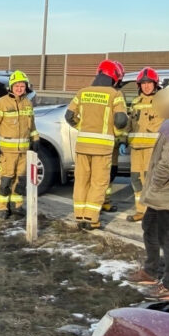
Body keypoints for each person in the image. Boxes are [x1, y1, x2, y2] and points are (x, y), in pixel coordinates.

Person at [127, 80, 169, 299]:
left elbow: (166, 163)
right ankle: (150, 270)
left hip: (168, 194)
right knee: (149, 226)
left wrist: (152, 187)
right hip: (159, 193)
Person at [66, 59, 129, 230]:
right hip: (103, 147)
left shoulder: (82, 92)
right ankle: (92, 219)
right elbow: (121, 120)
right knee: (99, 182)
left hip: (83, 145)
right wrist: (114, 132)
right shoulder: (115, 95)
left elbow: (69, 116)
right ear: (114, 77)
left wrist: (82, 127)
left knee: (81, 180)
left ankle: (79, 216)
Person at [0, 70, 39, 218]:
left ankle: (17, 206)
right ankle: (2, 208)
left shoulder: (28, 103)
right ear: (11, 86)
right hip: (7, 152)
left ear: (26, 87)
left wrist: (36, 139)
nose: (19, 88)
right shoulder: (1, 102)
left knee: (20, 181)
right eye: (17, 86)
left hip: (23, 151)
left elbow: (32, 125)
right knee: (5, 180)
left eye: (22, 86)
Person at [125, 67, 164, 222]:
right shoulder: (135, 102)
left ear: (155, 84)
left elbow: (159, 122)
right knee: (136, 179)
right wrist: (123, 139)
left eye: (149, 83)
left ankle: (152, 211)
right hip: (135, 148)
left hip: (151, 148)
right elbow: (129, 122)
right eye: (143, 83)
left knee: (150, 180)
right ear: (139, 85)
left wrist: (145, 128)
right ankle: (140, 210)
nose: (146, 86)